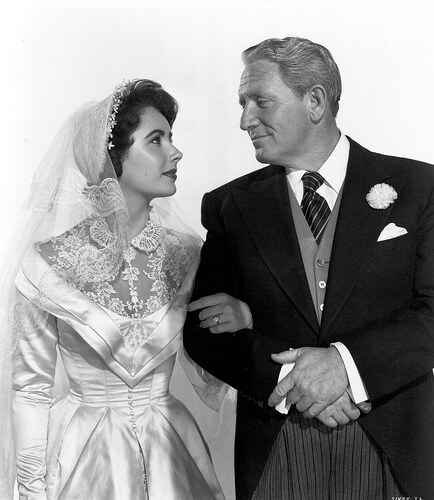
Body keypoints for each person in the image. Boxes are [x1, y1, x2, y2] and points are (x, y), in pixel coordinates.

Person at [183, 37, 434, 499]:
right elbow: (203, 333)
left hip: (394, 443)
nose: (244, 120)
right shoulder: (230, 205)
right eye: (242, 104)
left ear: (315, 101)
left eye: (260, 101)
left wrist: (345, 367)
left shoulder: (422, 187)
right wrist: (290, 381)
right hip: (277, 443)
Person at [0, 79, 241, 499]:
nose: (175, 152)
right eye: (156, 140)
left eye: (171, 137)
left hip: (171, 454)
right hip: (82, 459)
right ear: (112, 158)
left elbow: (215, 365)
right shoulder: (49, 263)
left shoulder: (189, 253)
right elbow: (31, 390)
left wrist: (241, 318)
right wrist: (32, 490)